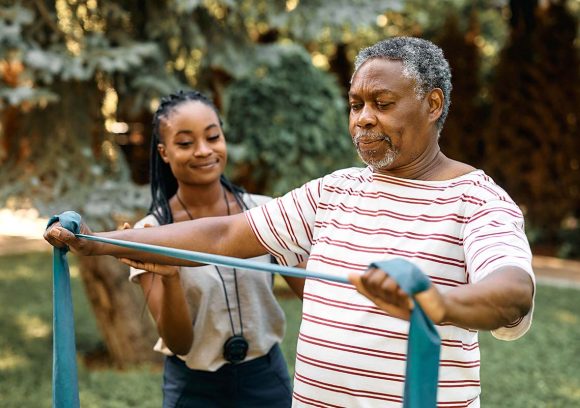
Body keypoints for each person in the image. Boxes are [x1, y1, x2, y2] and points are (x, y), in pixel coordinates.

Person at [45, 37, 535, 407]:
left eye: (382, 104)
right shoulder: (335, 189)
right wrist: (99, 243)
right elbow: (225, 231)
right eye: (356, 104)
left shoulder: (477, 199)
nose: (363, 118)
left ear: (432, 104)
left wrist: (437, 301)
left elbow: (512, 290)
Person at [118, 90, 300, 407]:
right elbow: (179, 343)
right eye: (186, 143)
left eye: (212, 137)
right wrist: (171, 276)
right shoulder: (150, 234)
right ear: (164, 152)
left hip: (267, 379)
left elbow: (314, 295)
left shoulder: (265, 212)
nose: (203, 151)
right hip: (194, 388)